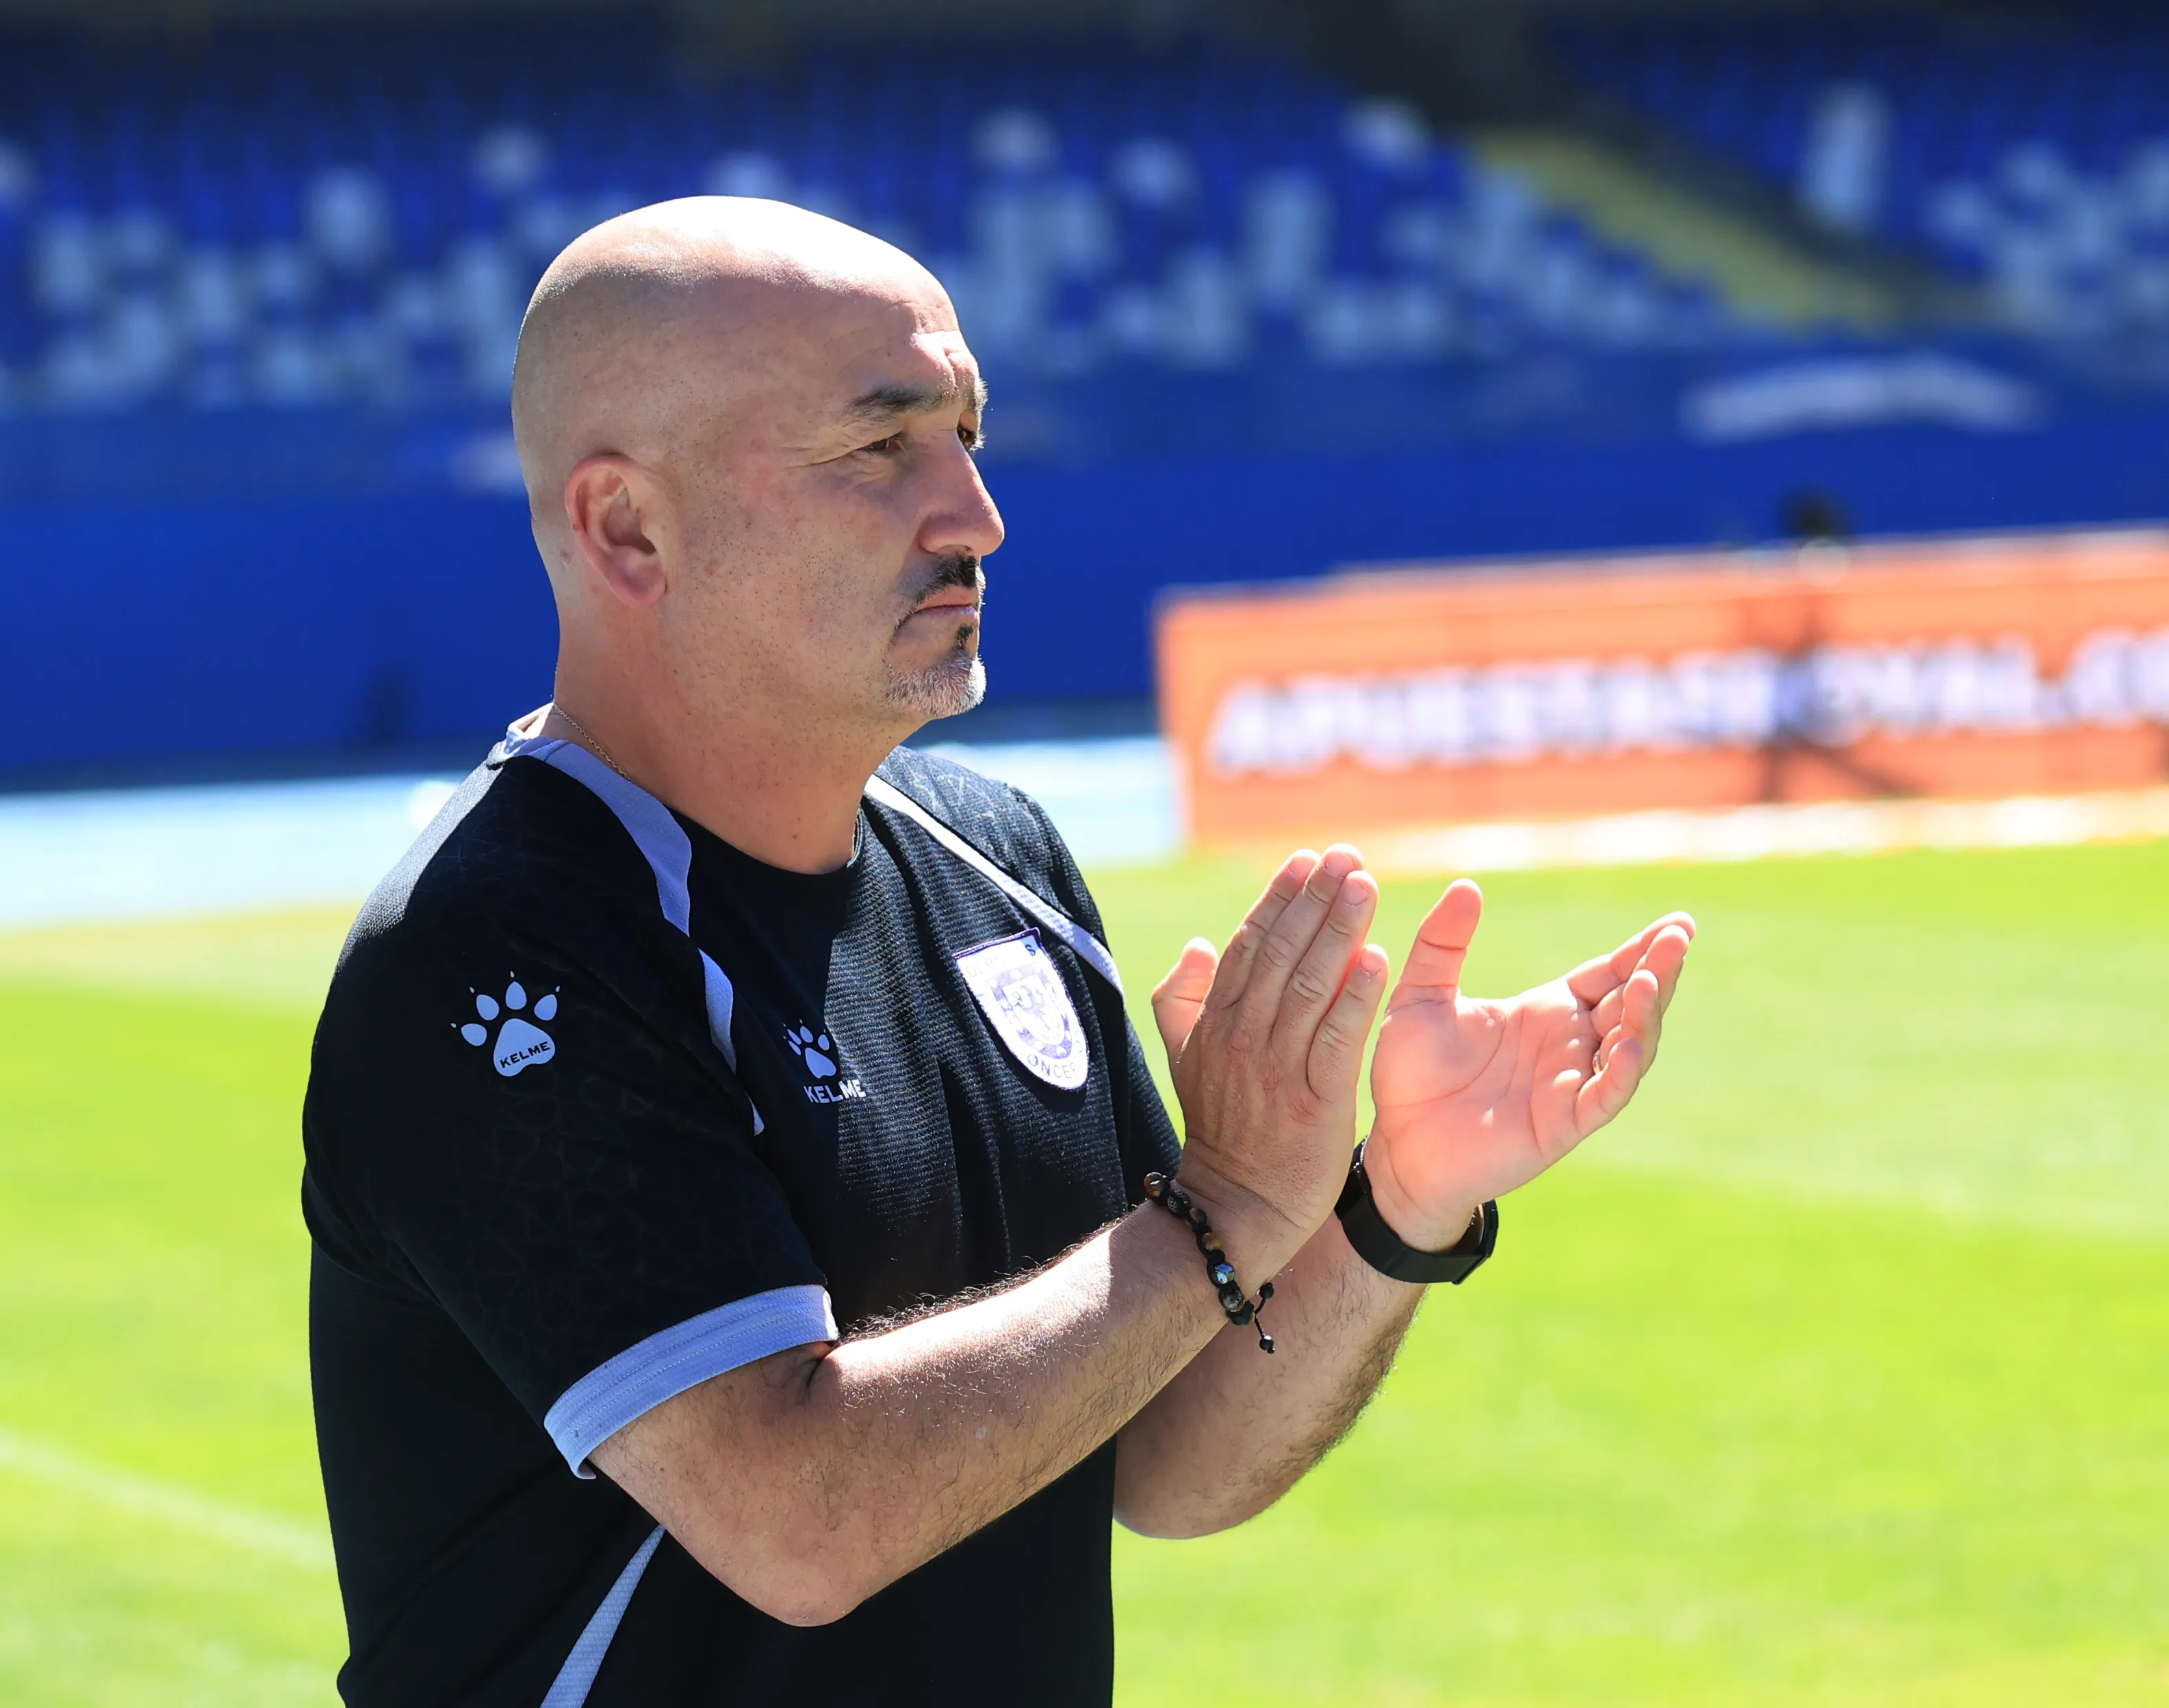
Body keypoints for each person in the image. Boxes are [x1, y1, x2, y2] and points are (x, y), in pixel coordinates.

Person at [300, 196, 1695, 1708]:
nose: (975, 513)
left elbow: (1162, 1449)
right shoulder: (502, 948)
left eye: (967, 435)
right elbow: (798, 1519)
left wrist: (1390, 1207)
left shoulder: (998, 861)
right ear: (628, 526)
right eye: (880, 447)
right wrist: (1218, 1211)